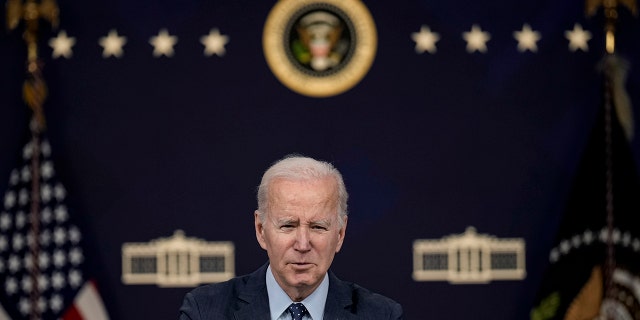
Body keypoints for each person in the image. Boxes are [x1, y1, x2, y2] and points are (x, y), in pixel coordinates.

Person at [179, 155, 403, 319]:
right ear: (260, 230)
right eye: (288, 225)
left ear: (340, 233)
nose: (303, 244)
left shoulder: (383, 315)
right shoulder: (204, 311)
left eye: (317, 227)